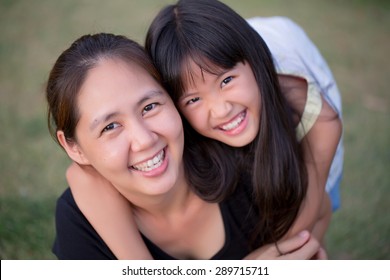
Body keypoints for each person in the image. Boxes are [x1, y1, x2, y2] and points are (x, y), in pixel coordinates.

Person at [66, 0, 343, 258]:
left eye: (226, 81)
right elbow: (81, 177)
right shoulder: (173, 115)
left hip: (292, 99)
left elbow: (306, 226)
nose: (221, 110)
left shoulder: (318, 115)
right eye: (193, 99)